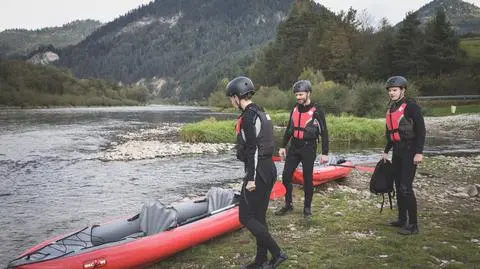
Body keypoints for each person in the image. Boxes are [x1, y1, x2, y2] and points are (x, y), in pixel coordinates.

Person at [226, 76, 287, 269]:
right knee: (259, 216)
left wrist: (250, 179)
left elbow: (253, 150)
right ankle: (260, 261)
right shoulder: (260, 111)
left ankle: (277, 253)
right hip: (269, 169)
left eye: (231, 98)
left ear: (237, 97)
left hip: (258, 172)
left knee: (245, 217)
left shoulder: (248, 117)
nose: (231, 101)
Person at [275, 80, 329, 219]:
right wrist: (282, 146)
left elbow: (324, 133)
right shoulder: (294, 108)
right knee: (286, 176)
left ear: (308, 93)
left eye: (301, 94)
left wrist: (325, 153)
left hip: (308, 148)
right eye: (296, 95)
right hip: (294, 147)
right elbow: (289, 129)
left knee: (307, 179)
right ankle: (288, 204)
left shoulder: (317, 111)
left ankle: (307, 208)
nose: (298, 97)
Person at [381, 75, 426, 235]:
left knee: (406, 187)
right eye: (390, 91)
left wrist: (419, 152)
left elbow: (421, 130)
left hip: (410, 150)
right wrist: (386, 150)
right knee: (398, 186)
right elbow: (391, 133)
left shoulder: (411, 106)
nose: (392, 93)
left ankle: (413, 225)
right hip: (397, 151)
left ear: (402, 90)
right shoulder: (391, 108)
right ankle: (402, 220)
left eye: (394, 90)